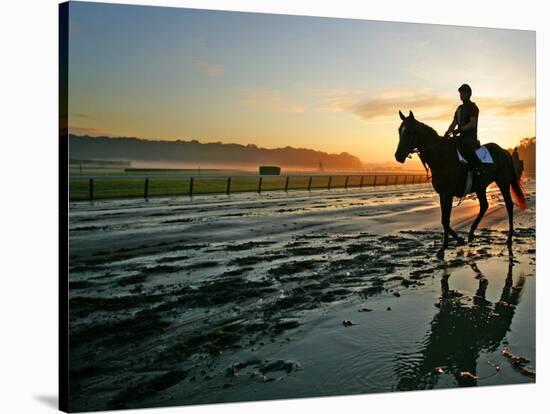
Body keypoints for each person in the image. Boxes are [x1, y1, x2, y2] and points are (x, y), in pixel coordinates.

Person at [444, 84, 482, 175]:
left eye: (463, 93)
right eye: (460, 93)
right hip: (461, 136)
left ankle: (478, 169)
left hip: (470, 137)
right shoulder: (459, 108)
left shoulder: (473, 107)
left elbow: (472, 123)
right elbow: (454, 123)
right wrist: (447, 132)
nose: (461, 95)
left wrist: (460, 129)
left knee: (466, 146)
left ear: (468, 94)